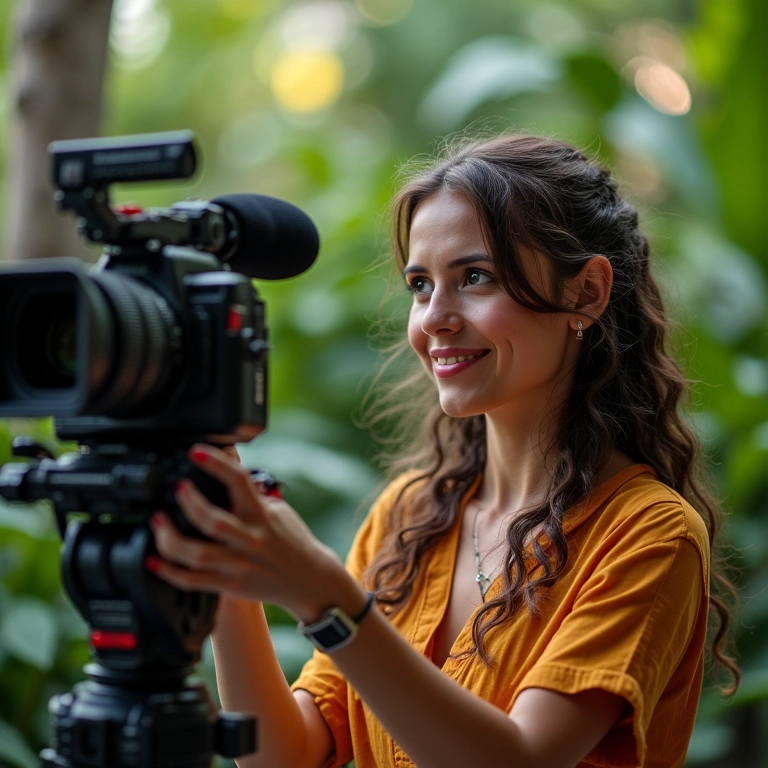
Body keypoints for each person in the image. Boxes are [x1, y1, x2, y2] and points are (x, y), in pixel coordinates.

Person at [148, 133, 739, 768]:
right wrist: (226, 552)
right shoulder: (410, 518)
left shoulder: (649, 535)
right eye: (421, 285)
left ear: (586, 292)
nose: (434, 318)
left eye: (475, 277)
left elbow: (518, 761)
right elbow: (281, 755)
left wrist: (325, 597)